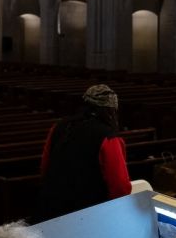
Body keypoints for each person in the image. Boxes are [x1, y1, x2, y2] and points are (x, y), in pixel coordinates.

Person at [38, 84, 131, 221]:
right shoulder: (108, 138)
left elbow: (45, 167)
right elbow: (120, 188)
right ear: (111, 110)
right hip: (88, 213)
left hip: (52, 206)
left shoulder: (59, 127)